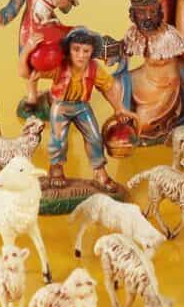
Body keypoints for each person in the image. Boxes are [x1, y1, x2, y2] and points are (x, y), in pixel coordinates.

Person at [101, 0, 184, 151]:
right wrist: (108, 49)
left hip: (164, 86)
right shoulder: (135, 32)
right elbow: (125, 49)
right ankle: (122, 115)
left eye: (152, 12)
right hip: (144, 79)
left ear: (159, 12)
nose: (147, 17)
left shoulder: (169, 35)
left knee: (143, 124)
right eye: (142, 13)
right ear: (133, 15)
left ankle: (147, 128)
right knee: (112, 84)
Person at [32, 27, 136, 189]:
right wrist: (29, 53)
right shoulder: (60, 65)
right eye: (76, 49)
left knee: (94, 137)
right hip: (61, 105)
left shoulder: (94, 68)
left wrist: (118, 107)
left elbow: (107, 87)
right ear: (69, 50)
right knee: (58, 139)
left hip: (82, 106)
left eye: (86, 51)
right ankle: (56, 168)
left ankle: (100, 172)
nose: (81, 55)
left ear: (92, 52)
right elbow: (31, 73)